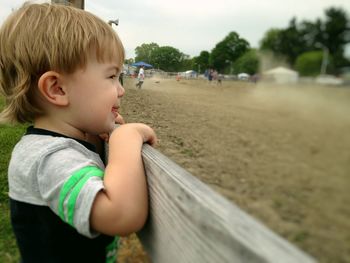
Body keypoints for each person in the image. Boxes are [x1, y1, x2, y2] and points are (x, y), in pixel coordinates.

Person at [0, 2, 157, 262]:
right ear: (58, 89)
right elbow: (121, 215)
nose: (121, 90)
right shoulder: (48, 159)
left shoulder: (61, 144)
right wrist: (123, 140)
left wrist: (98, 134)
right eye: (111, 77)